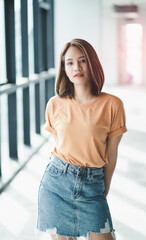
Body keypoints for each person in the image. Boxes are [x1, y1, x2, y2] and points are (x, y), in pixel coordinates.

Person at [37, 38, 127, 240]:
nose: (76, 67)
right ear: (64, 69)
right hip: (56, 185)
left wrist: (103, 190)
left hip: (93, 184)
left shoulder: (113, 104)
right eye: (69, 63)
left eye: (83, 60)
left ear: (92, 62)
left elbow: (111, 154)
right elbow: (60, 145)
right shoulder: (54, 104)